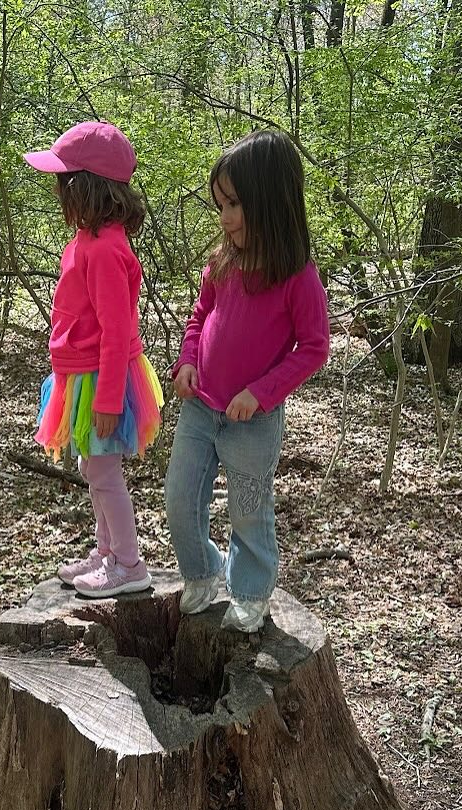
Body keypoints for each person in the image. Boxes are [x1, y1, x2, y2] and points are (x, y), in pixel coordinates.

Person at [165, 129, 330, 632]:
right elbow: (200, 318)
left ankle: (252, 590)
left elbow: (315, 349)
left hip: (251, 420)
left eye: (235, 203)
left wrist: (260, 394)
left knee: (248, 509)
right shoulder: (221, 262)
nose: (226, 216)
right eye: (220, 204)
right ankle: (201, 572)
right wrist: (187, 361)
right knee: (179, 494)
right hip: (200, 405)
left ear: (271, 201)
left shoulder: (297, 276)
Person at [26, 121, 164, 598]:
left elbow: (116, 331)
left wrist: (108, 401)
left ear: (85, 186)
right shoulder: (90, 239)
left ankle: (129, 563)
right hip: (80, 375)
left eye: (63, 182)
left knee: (104, 471)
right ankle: (106, 551)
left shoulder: (106, 249)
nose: (58, 191)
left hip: (101, 379)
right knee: (94, 468)